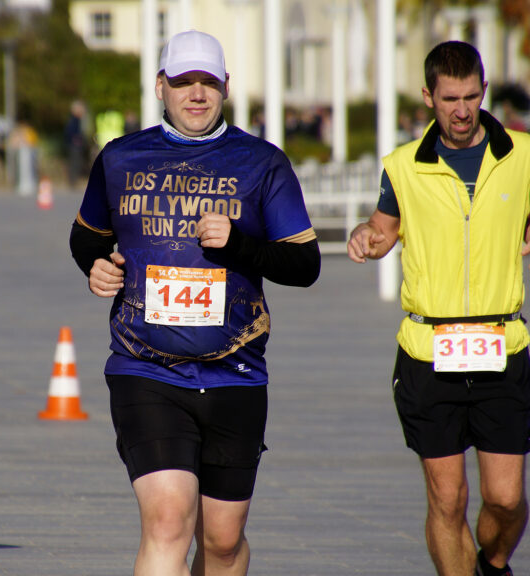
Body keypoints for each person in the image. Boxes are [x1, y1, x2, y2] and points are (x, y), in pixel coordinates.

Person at [69, 30, 321, 576]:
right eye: (184, 82)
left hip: (236, 373)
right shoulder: (120, 158)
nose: (197, 94)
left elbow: (305, 266)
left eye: (208, 82)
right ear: (161, 86)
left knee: (223, 543)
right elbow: (86, 237)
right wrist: (98, 266)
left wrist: (239, 245)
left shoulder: (261, 163)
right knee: (167, 521)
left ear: (226, 87)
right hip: (145, 368)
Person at [346, 41, 530, 576]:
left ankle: (492, 563)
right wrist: (364, 237)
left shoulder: (520, 153)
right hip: (429, 351)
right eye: (450, 99)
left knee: (505, 498)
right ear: (428, 97)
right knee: (447, 500)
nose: (462, 110)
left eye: (471, 96)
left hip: (501, 345)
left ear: (483, 91)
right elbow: (383, 228)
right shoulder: (402, 166)